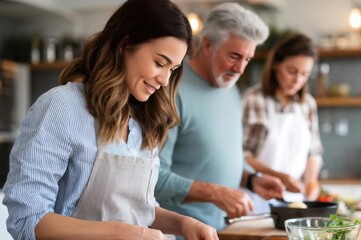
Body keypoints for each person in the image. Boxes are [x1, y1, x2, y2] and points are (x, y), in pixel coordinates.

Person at [2, 0, 218, 239]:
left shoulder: (147, 120)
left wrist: (183, 224)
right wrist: (118, 232)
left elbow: (139, 210)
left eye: (173, 69)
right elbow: (27, 220)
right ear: (124, 44)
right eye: (159, 63)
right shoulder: (62, 106)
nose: (165, 80)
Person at [155, 2, 286, 231]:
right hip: (178, 232)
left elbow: (217, 156)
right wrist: (215, 193)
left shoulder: (230, 89)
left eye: (248, 59)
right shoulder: (171, 89)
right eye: (235, 56)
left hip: (222, 230)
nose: (240, 69)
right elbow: (152, 177)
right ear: (206, 44)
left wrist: (251, 180)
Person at [242, 32, 324, 213]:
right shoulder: (252, 100)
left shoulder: (307, 104)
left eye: (304, 74)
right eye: (292, 71)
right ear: (275, 64)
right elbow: (243, 155)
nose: (297, 80)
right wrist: (280, 177)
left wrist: (311, 182)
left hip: (296, 200)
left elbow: (314, 151)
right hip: (256, 199)